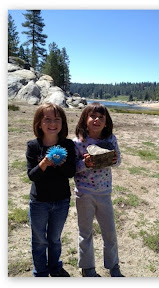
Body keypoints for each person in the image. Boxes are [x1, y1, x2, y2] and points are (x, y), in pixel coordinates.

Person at [73, 102, 124, 277]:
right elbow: (73, 168)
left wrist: (115, 159)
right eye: (93, 116)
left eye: (101, 117)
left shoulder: (111, 140)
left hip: (104, 193)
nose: (97, 120)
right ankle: (87, 267)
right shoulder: (78, 142)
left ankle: (113, 265)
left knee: (109, 231)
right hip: (84, 193)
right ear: (84, 119)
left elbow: (118, 162)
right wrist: (85, 164)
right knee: (85, 232)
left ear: (106, 122)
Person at [26, 103, 77, 277]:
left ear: (62, 123)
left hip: (61, 200)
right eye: (47, 119)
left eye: (57, 119)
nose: (52, 123)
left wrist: (61, 165)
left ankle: (55, 267)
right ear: (39, 123)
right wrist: (44, 164)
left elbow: (71, 172)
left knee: (54, 239)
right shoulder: (33, 146)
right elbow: (32, 175)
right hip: (39, 201)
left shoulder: (68, 145)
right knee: (39, 240)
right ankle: (40, 272)